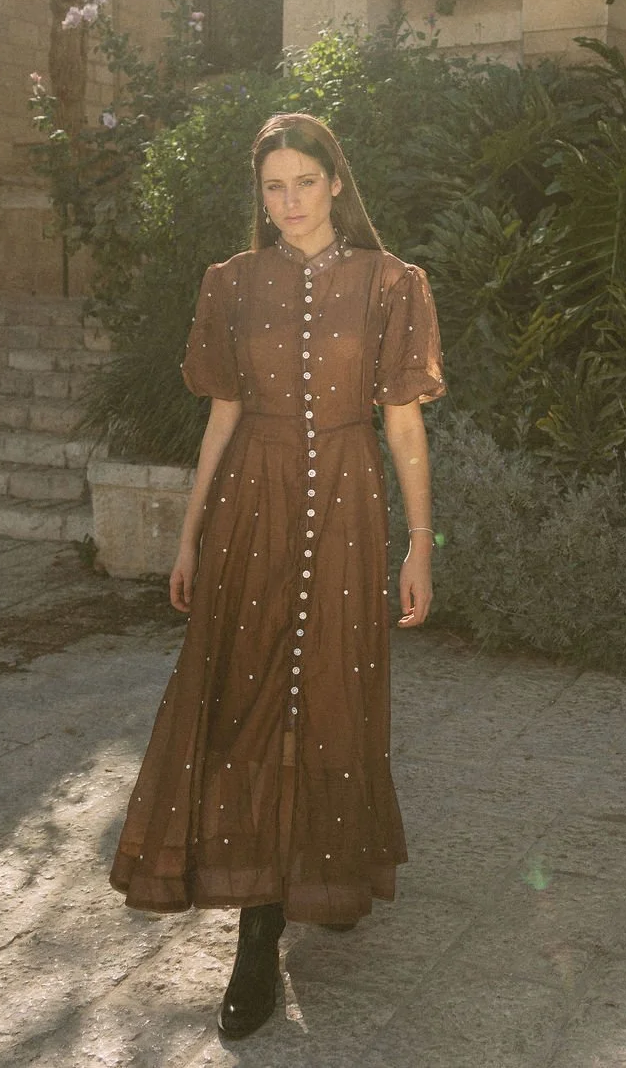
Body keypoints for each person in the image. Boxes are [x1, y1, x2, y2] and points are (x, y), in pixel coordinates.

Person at [109, 112, 444, 1039]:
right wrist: (186, 538)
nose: (289, 201)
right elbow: (219, 416)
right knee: (248, 695)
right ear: (259, 195)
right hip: (249, 511)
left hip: (345, 505)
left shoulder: (391, 284)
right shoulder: (231, 284)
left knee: (330, 691)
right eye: (273, 186)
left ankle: (320, 869)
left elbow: (405, 427)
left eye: (305, 181)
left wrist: (422, 543)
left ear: (337, 181)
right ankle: (258, 939)